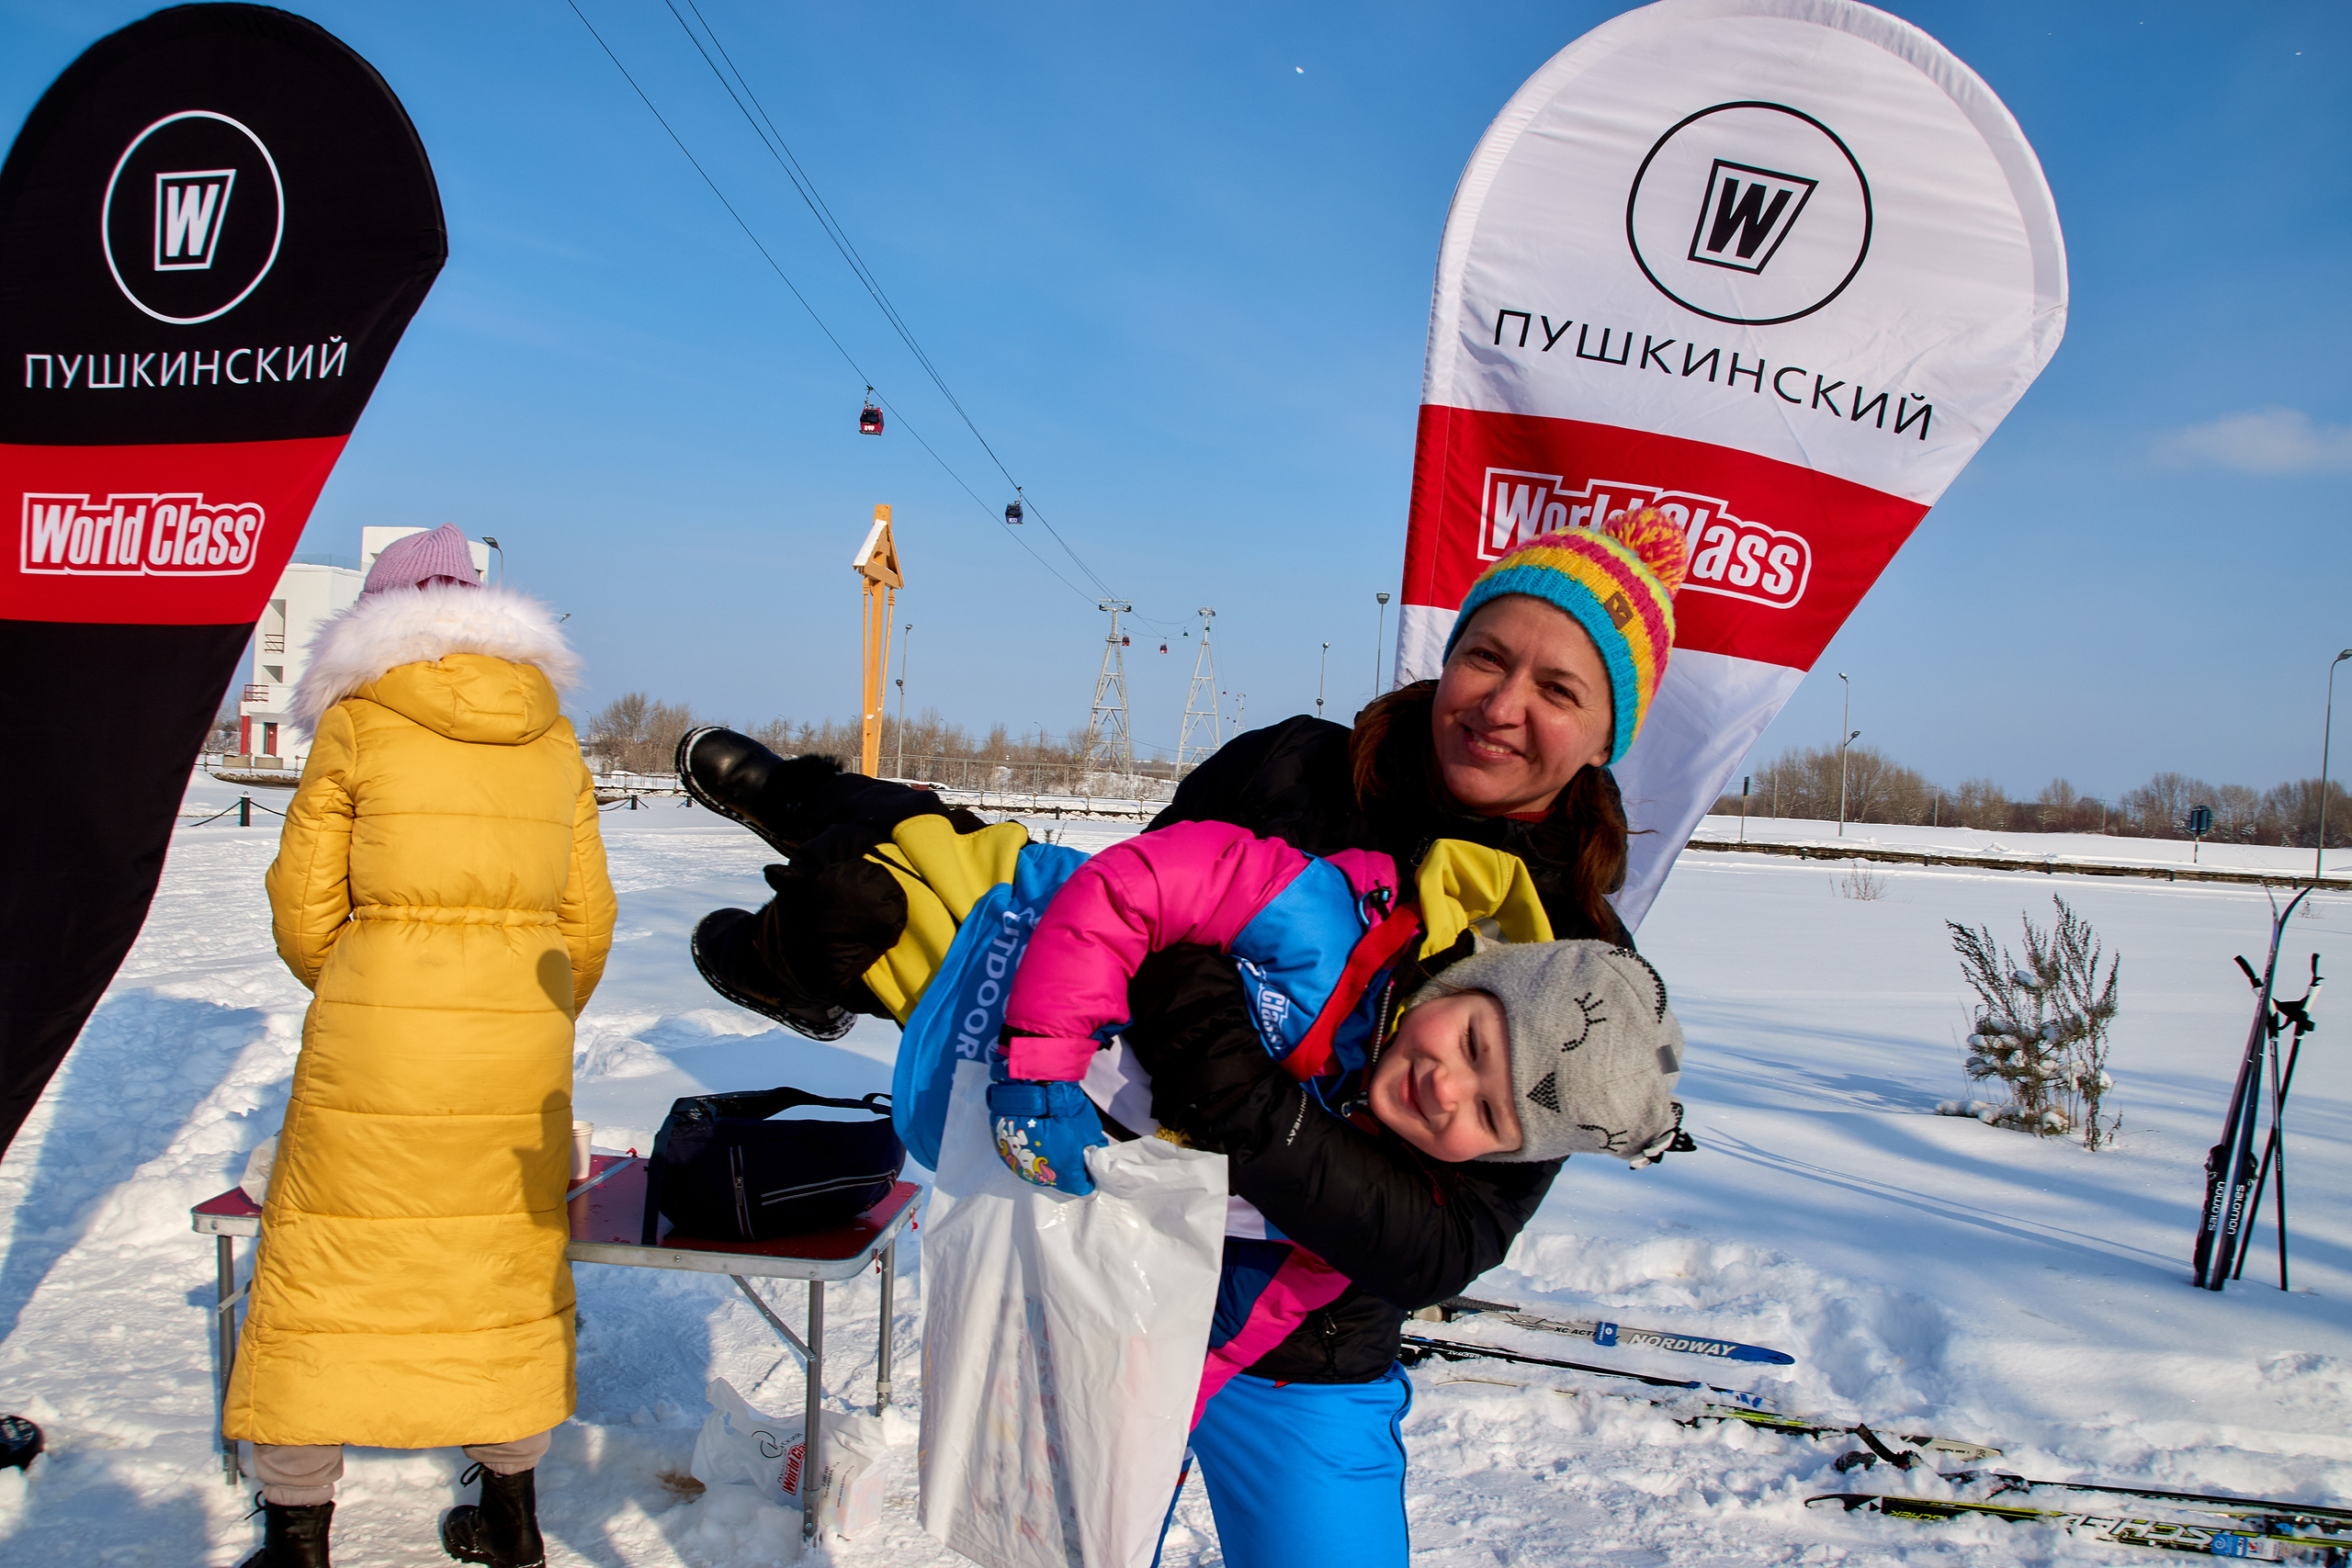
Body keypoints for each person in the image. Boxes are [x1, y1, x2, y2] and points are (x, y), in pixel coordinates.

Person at [679, 507, 1688, 1568]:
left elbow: (1447, 1239)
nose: (1502, 704)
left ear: (1602, 736)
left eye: (1558, 689)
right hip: (1101, 1287)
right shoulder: (1297, 771)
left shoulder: (1572, 954)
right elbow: (1120, 922)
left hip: (1306, 1354)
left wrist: (1250, 1107)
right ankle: (807, 852)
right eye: (1487, 656)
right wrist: (1187, 1021)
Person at [225, 525, 616, 1568]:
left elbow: (303, 915)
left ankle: (300, 1536)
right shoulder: (554, 734)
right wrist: (518, 1008)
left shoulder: (359, 720)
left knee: (323, 1270)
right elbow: (586, 926)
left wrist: (373, 981)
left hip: (375, 1038)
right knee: (500, 1272)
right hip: (514, 1048)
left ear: (374, 617)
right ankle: (511, 1521)